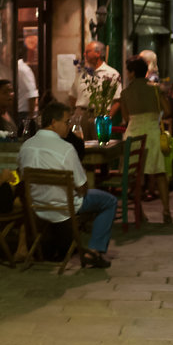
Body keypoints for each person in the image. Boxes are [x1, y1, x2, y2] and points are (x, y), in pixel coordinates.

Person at [18, 101, 118, 268]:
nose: (69, 127)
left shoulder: (26, 146)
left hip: (36, 206)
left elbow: (22, 177)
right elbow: (82, 187)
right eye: (66, 122)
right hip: (64, 206)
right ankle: (94, 250)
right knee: (109, 201)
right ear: (53, 123)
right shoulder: (66, 149)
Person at [121, 56, 173, 223]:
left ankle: (140, 213)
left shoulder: (125, 93)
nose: (127, 74)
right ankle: (166, 211)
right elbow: (168, 110)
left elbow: (126, 117)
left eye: (128, 71)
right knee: (159, 173)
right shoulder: (155, 90)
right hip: (151, 133)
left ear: (133, 72)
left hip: (133, 134)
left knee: (134, 176)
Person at [68, 40, 122, 130]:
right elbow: (72, 96)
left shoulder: (111, 74)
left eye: (88, 52)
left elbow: (118, 100)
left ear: (98, 53)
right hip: (81, 115)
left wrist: (108, 117)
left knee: (99, 142)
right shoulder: (81, 73)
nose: (84, 54)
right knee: (78, 142)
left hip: (100, 115)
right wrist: (77, 112)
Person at [16, 43, 39, 124]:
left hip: (22, 113)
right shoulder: (16, 68)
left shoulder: (22, 69)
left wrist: (30, 117)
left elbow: (32, 94)